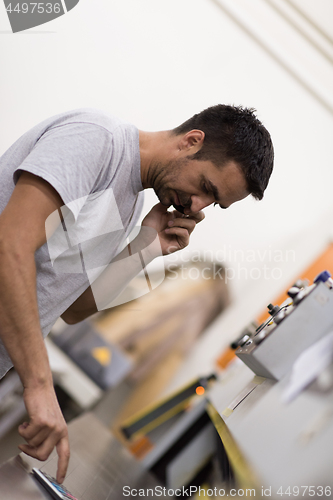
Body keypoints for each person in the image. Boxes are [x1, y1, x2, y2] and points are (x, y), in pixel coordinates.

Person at [0, 104, 273, 483]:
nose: (197, 208)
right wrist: (39, 384)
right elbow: (9, 247)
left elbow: (71, 307)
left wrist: (147, 247)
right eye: (206, 188)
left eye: (214, 204)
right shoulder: (98, 141)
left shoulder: (130, 204)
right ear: (191, 142)